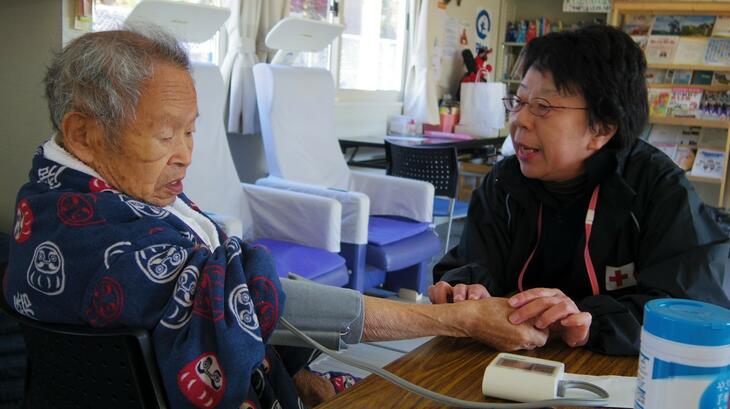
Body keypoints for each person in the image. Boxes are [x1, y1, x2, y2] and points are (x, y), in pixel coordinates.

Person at [3, 28, 548, 409]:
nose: (186, 155)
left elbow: (233, 286)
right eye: (167, 135)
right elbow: (266, 300)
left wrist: (300, 373)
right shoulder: (97, 240)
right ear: (82, 135)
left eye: (192, 132)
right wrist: (454, 322)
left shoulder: (70, 194)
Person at [430, 24, 730, 356]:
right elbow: (472, 263)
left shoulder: (658, 189)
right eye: (519, 101)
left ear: (601, 128)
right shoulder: (504, 183)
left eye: (543, 106)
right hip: (506, 363)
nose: (520, 121)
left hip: (617, 372)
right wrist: (464, 289)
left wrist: (592, 322)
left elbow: (693, 309)